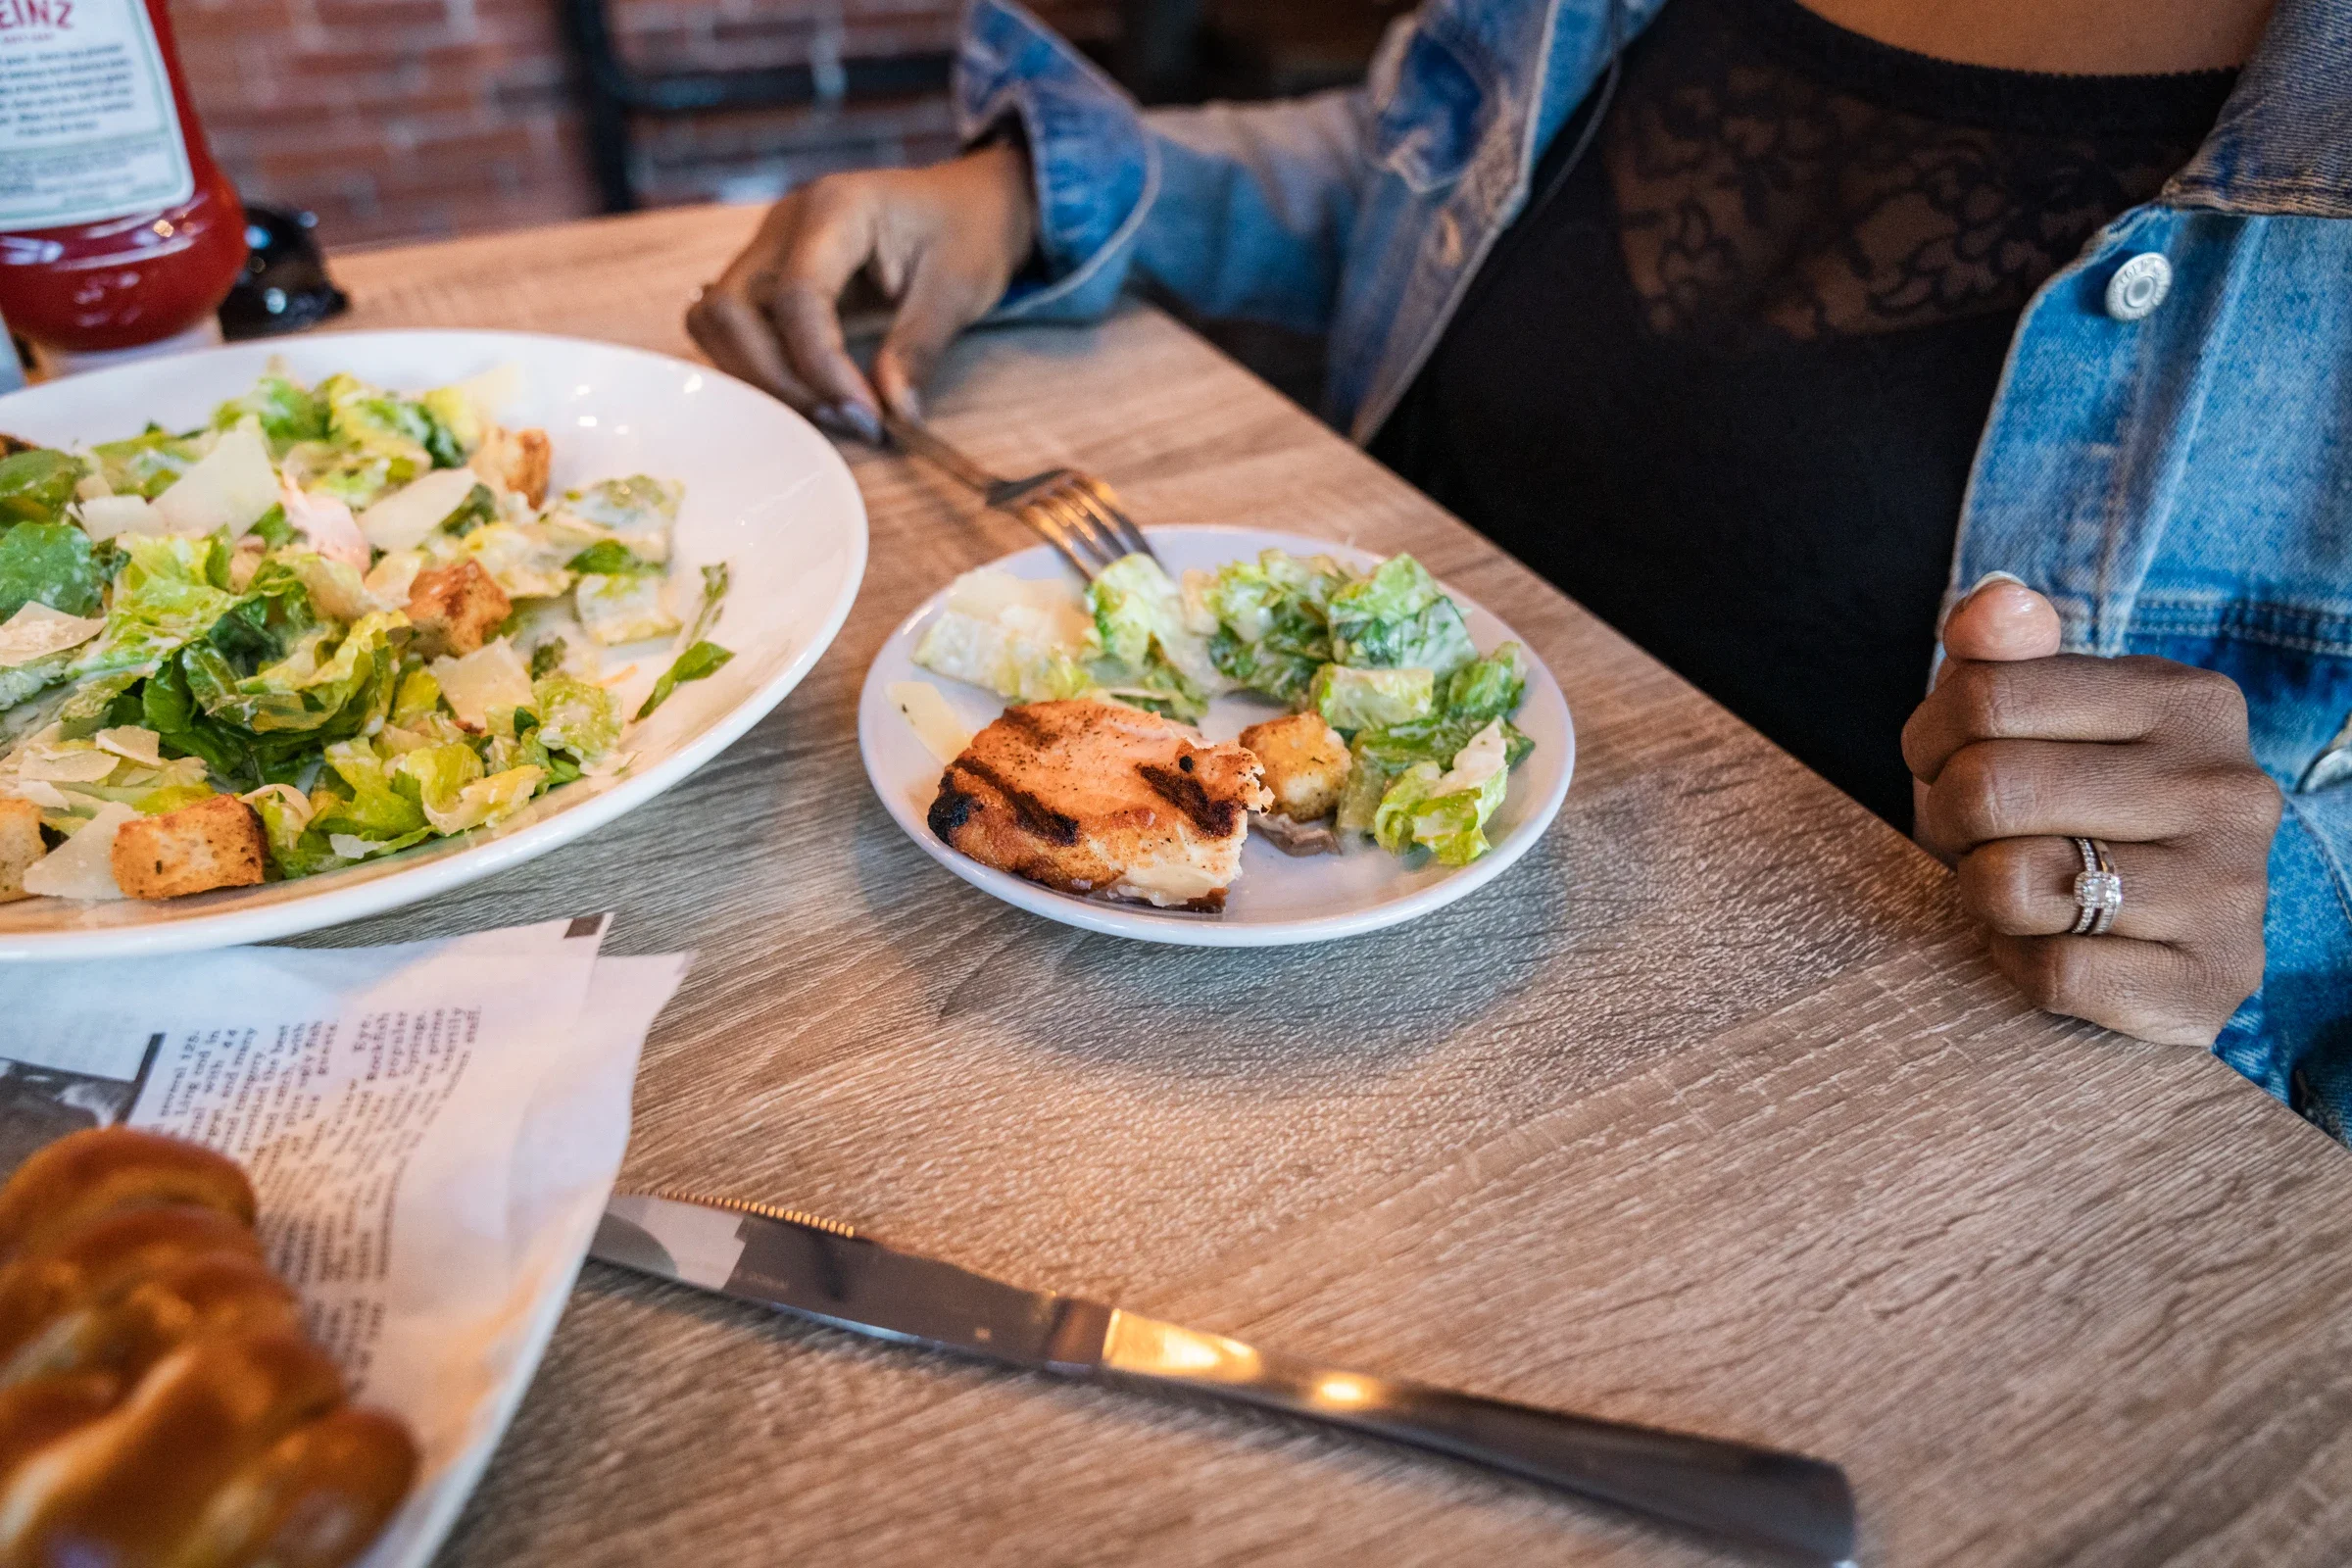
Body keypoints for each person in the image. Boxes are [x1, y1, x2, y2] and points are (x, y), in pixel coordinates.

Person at [688, 0, 2352, 1133]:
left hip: (1807, 1110)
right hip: (1248, 1024)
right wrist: (1024, 195)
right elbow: (1402, 167)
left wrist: (2277, 918)